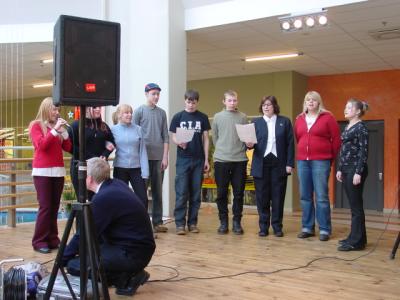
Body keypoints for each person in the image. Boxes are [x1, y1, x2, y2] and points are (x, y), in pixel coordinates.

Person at [63, 157, 155, 296]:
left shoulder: (104, 197)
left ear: (89, 179)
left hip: (132, 254)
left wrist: (62, 260)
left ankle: (126, 278)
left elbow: (84, 234)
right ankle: (127, 274)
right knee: (85, 255)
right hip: (137, 248)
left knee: (74, 266)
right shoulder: (115, 185)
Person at [294, 91, 341, 241]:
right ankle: (307, 227)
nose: (311, 102)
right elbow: (298, 137)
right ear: (305, 102)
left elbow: (336, 140)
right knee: (305, 196)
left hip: (321, 161)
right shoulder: (299, 119)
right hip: (303, 161)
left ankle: (325, 229)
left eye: (314, 100)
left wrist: (330, 158)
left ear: (319, 102)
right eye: (308, 100)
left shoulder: (328, 118)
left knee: (321, 196)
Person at [246, 96, 294, 237]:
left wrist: (289, 163)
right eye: (263, 105)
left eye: (269, 104)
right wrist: (248, 145)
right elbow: (250, 144)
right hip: (261, 163)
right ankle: (263, 227)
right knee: (262, 197)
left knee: (278, 196)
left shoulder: (284, 122)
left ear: (275, 106)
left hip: (279, 163)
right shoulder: (255, 122)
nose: (266, 107)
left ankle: (277, 227)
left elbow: (290, 144)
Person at [29, 97, 72, 254]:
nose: (57, 112)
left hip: (58, 171)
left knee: (54, 207)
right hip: (42, 172)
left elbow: (68, 147)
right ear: (46, 109)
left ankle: (53, 239)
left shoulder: (57, 127)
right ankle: (39, 241)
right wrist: (54, 131)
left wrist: (65, 133)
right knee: (46, 207)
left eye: (58, 110)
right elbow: (41, 146)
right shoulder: (36, 126)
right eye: (54, 109)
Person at [169, 89, 210, 235]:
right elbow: (173, 136)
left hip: (198, 159)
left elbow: (206, 139)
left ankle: (192, 223)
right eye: (188, 102)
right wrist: (178, 142)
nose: (191, 105)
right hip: (183, 160)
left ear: (197, 102)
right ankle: (180, 224)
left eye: (193, 102)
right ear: (184, 101)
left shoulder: (203, 117)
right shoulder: (178, 117)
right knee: (181, 192)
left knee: (195, 193)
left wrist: (206, 159)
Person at [133, 83, 169, 233]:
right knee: (141, 193)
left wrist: (165, 157)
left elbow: (166, 136)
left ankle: (157, 222)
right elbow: (134, 134)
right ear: (146, 94)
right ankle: (141, 223)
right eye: (153, 94)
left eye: (158, 94)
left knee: (157, 192)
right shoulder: (139, 111)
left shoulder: (162, 113)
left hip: (159, 157)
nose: (156, 97)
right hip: (143, 158)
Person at [212, 90, 248, 235]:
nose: (232, 103)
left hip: (240, 160)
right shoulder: (217, 117)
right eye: (230, 100)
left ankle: (237, 222)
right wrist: (222, 150)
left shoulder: (243, 117)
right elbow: (215, 137)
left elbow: (246, 137)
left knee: (238, 194)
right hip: (221, 160)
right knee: (221, 193)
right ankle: (223, 222)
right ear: (224, 101)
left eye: (235, 100)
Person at [336, 99, 369, 251]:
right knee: (354, 207)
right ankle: (357, 237)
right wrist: (340, 169)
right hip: (347, 169)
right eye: (345, 106)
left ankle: (356, 242)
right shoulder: (348, 126)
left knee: (356, 207)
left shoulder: (361, 127)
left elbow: (363, 151)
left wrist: (358, 172)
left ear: (357, 111)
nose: (346, 109)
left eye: (349, 107)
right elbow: (344, 150)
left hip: (355, 170)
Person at [68, 106, 115, 200]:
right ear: (86, 109)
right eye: (94, 107)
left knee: (99, 198)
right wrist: (90, 158)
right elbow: (70, 147)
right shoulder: (76, 125)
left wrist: (105, 154)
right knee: (82, 200)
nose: (98, 109)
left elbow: (112, 142)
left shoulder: (104, 126)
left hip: (99, 169)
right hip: (81, 167)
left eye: (99, 107)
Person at [112, 104, 149, 209]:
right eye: (126, 113)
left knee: (142, 199)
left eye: (130, 113)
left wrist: (145, 172)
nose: (129, 115)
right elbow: (108, 146)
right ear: (119, 115)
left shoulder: (138, 129)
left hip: (136, 169)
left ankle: (142, 224)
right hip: (120, 168)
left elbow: (143, 151)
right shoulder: (113, 130)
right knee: (121, 199)